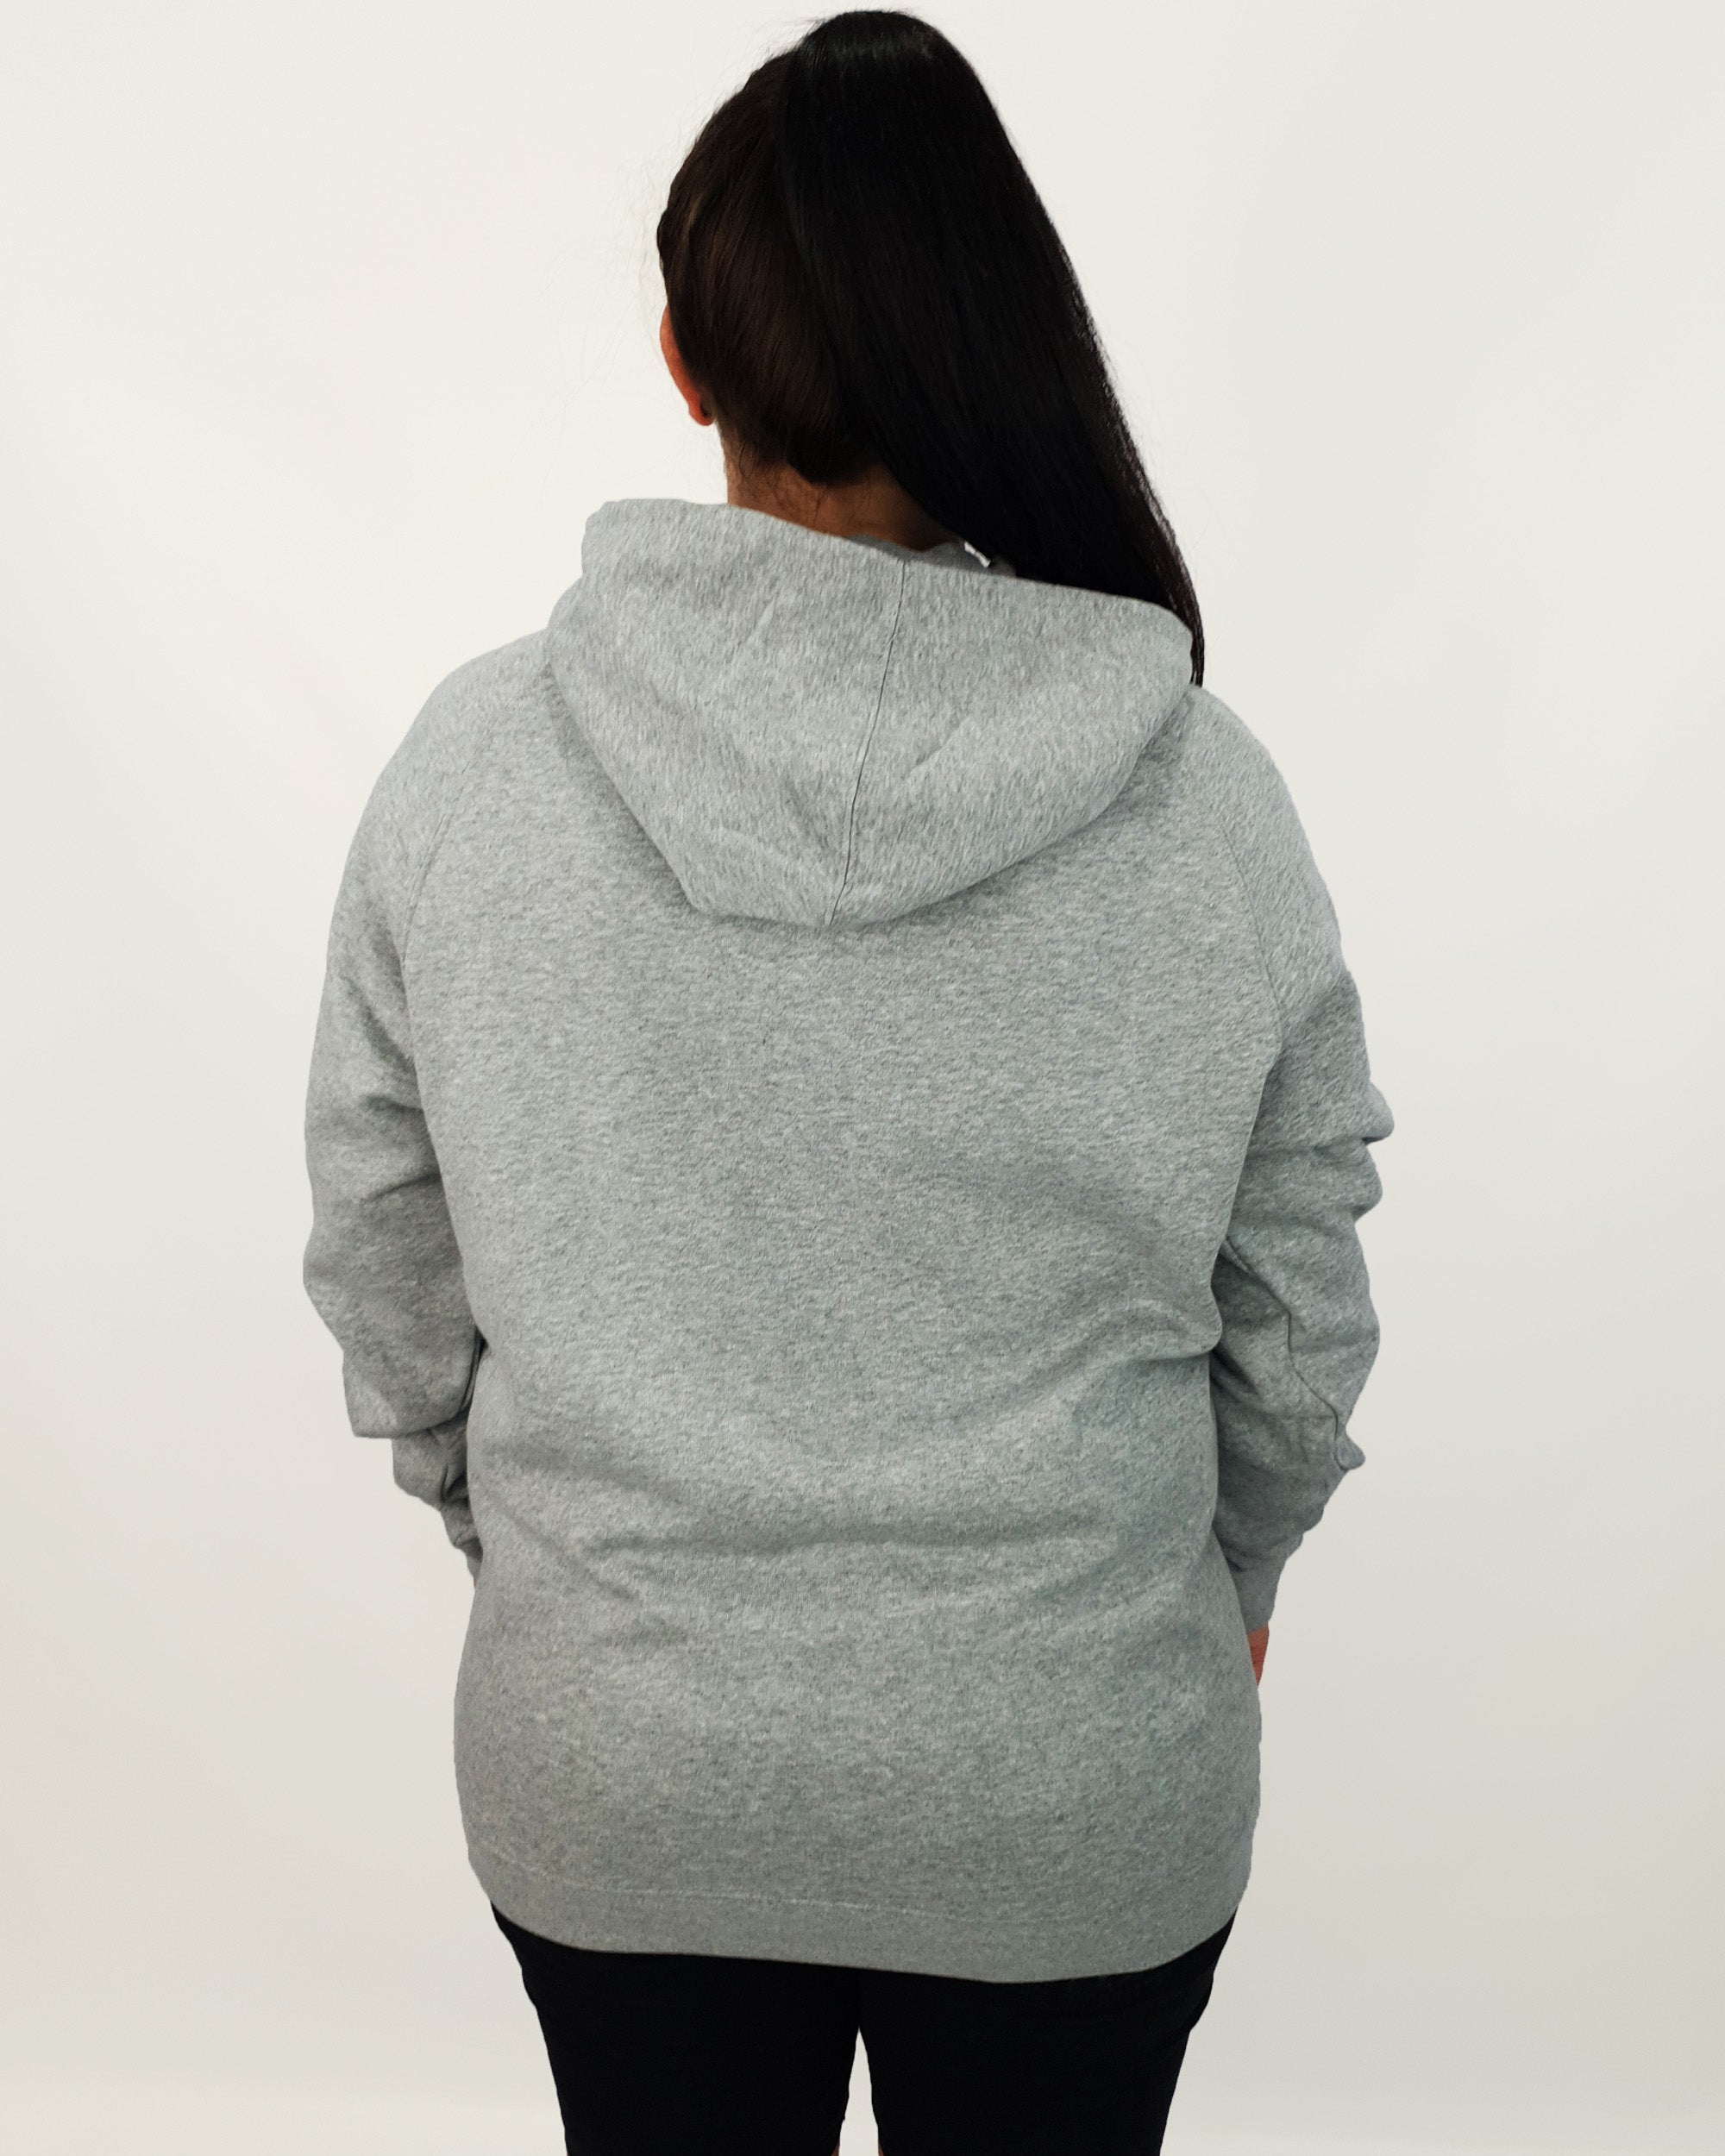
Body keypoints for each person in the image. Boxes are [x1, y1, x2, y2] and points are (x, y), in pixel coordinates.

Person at [301, 11, 1392, 2153]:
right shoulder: (1200, 799)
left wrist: (543, 1551)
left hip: (619, 1756)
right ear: (997, 347)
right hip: (1069, 1776)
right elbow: (1302, 1304)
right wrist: (1233, 1579)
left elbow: (380, 1245)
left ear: (684, 362)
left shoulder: (471, 772)